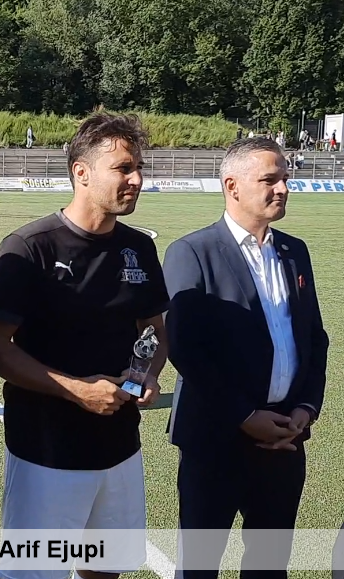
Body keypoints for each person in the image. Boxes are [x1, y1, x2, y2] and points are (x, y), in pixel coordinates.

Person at [0, 112, 168, 579]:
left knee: (105, 569)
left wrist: (148, 374)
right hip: (47, 451)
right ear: (82, 172)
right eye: (123, 168)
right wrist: (77, 390)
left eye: (138, 168)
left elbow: (154, 328)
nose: (137, 179)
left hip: (120, 447)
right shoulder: (29, 248)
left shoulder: (139, 248)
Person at [164, 137, 329, 579]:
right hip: (215, 440)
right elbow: (185, 348)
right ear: (232, 186)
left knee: (270, 566)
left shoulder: (295, 251)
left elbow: (315, 338)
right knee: (199, 567)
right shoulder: (192, 252)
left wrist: (306, 407)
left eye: (285, 179)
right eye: (270, 180)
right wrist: (244, 415)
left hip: (285, 438)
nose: (283, 188)